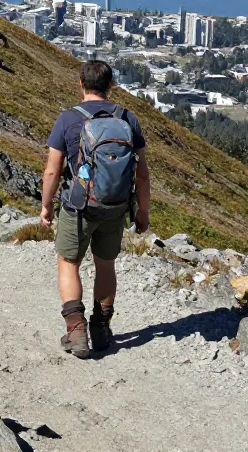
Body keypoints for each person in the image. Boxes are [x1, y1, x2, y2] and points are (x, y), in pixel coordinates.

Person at [40, 59, 150, 357]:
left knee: (69, 263)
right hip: (115, 207)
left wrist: (46, 206)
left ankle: (77, 333)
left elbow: (52, 171)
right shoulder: (128, 118)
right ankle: (101, 329)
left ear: (81, 84)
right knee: (105, 264)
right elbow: (141, 173)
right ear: (110, 85)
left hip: (78, 207)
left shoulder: (67, 119)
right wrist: (142, 211)